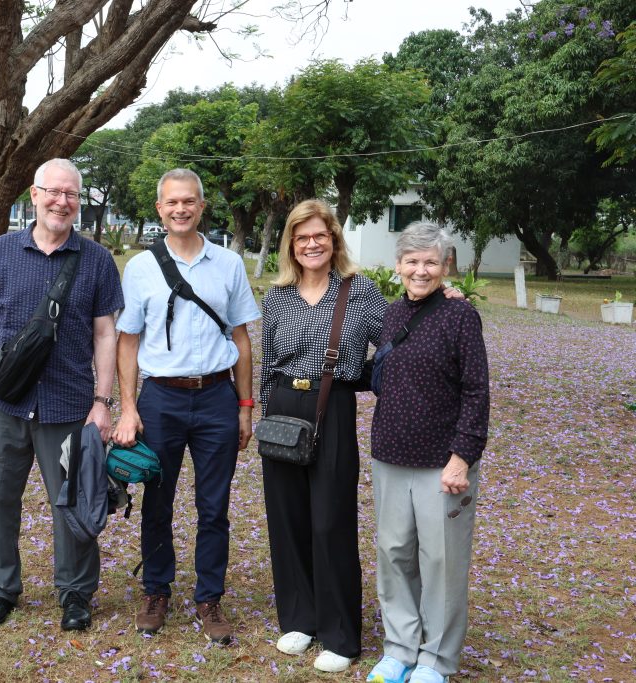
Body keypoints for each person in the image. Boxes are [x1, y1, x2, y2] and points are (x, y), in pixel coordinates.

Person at [0, 158, 124, 632]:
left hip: (69, 404)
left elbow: (105, 334)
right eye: (53, 192)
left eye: (71, 194)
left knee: (73, 500)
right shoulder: (1, 250)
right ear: (34, 195)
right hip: (5, 401)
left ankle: (75, 593)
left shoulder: (96, 259)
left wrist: (102, 402)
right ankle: (0, 588)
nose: (62, 202)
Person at [113, 168, 260, 644]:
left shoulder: (229, 264)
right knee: (157, 502)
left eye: (189, 201)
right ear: (160, 209)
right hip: (161, 399)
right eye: (172, 202)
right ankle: (156, 591)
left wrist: (244, 407)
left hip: (217, 397)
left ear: (201, 207)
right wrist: (128, 408)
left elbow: (241, 338)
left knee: (214, 506)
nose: (181, 209)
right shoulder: (140, 268)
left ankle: (209, 597)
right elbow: (128, 340)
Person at [258, 198, 388, 672]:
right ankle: (300, 619)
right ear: (291, 244)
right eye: (302, 237)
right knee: (287, 517)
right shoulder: (277, 297)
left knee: (330, 520)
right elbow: (268, 363)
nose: (311, 244)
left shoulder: (360, 291)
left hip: (331, 405)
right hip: (282, 407)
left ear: (333, 239)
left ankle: (339, 634)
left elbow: (397, 342)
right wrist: (264, 416)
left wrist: (362, 377)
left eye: (320, 235)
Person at [365, 222, 489, 683]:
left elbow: (477, 391)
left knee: (441, 562)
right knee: (394, 553)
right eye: (412, 261)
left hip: (443, 462)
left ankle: (435, 659)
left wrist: (463, 456)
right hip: (390, 454)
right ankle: (399, 649)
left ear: (445, 267)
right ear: (398, 266)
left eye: (431, 262)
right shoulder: (391, 315)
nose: (421, 270)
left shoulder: (461, 316)